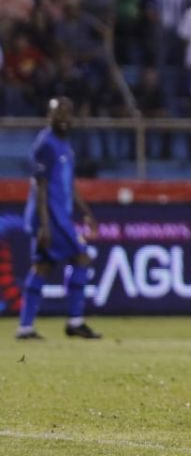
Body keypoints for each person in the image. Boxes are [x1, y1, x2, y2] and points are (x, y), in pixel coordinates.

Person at [16, 97, 101, 340]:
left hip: (57, 217)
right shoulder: (46, 144)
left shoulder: (65, 144)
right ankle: (75, 321)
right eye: (57, 114)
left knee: (42, 266)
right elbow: (40, 186)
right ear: (48, 116)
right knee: (82, 258)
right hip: (50, 218)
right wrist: (44, 226)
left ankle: (25, 327)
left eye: (66, 113)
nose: (62, 118)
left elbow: (68, 184)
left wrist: (85, 211)